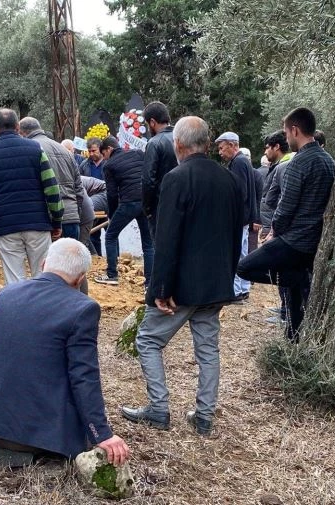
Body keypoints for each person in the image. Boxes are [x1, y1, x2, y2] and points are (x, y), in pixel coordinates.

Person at [120, 116, 243, 436]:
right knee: (207, 350)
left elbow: (167, 239)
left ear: (178, 144)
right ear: (206, 141)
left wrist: (160, 287)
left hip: (182, 287)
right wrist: (227, 278)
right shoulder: (228, 178)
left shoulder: (176, 178)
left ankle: (159, 409)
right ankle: (204, 415)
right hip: (216, 283)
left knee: (147, 340)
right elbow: (234, 234)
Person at [0, 238, 130, 467]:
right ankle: (31, 449)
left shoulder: (7, 294)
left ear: (42, 265)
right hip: (33, 436)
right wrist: (101, 433)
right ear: (80, 279)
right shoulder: (83, 309)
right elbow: (84, 376)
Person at [236, 108, 335, 342]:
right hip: (316, 240)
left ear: (295, 130)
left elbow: (285, 207)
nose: (286, 138)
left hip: (294, 240)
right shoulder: (329, 161)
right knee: (292, 296)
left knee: (244, 268)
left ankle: (297, 281)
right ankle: (294, 338)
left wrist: (273, 232)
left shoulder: (298, 162)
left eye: (286, 133)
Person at [0, 108, 64, 285]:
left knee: (15, 280)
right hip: (37, 223)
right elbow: (52, 188)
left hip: (5, 227)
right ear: (17, 126)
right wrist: (57, 221)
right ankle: (43, 312)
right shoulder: (35, 150)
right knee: (43, 275)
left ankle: (19, 310)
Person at [93, 136, 154, 287]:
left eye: (104, 153)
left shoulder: (109, 165)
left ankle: (112, 274)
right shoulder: (138, 153)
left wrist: (112, 215)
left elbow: (112, 194)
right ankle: (150, 282)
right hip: (146, 201)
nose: (104, 158)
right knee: (148, 243)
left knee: (111, 235)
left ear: (109, 149)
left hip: (129, 203)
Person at [18, 117, 83, 241]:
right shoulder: (66, 151)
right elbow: (79, 188)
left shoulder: (31, 151)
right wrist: (75, 211)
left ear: (22, 133)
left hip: (47, 221)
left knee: (49, 260)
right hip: (71, 217)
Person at [215, 131, 259, 302]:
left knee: (235, 253)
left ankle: (236, 291)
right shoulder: (243, 161)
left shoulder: (238, 163)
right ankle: (243, 288)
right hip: (244, 217)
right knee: (242, 253)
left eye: (221, 148)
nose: (219, 152)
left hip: (238, 218)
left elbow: (239, 192)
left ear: (232, 145)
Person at [258, 130, 292, 324]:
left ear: (276, 147)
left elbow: (273, 200)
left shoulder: (283, 167)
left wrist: (272, 228)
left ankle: (287, 312)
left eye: (268, 146)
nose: (265, 150)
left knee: (283, 271)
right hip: (282, 228)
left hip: (281, 230)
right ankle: (285, 308)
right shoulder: (288, 163)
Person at [141, 101, 177, 237]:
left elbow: (148, 180)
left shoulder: (154, 143)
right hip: (184, 203)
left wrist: (147, 208)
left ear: (152, 122)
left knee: (161, 249)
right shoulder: (183, 138)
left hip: (161, 206)